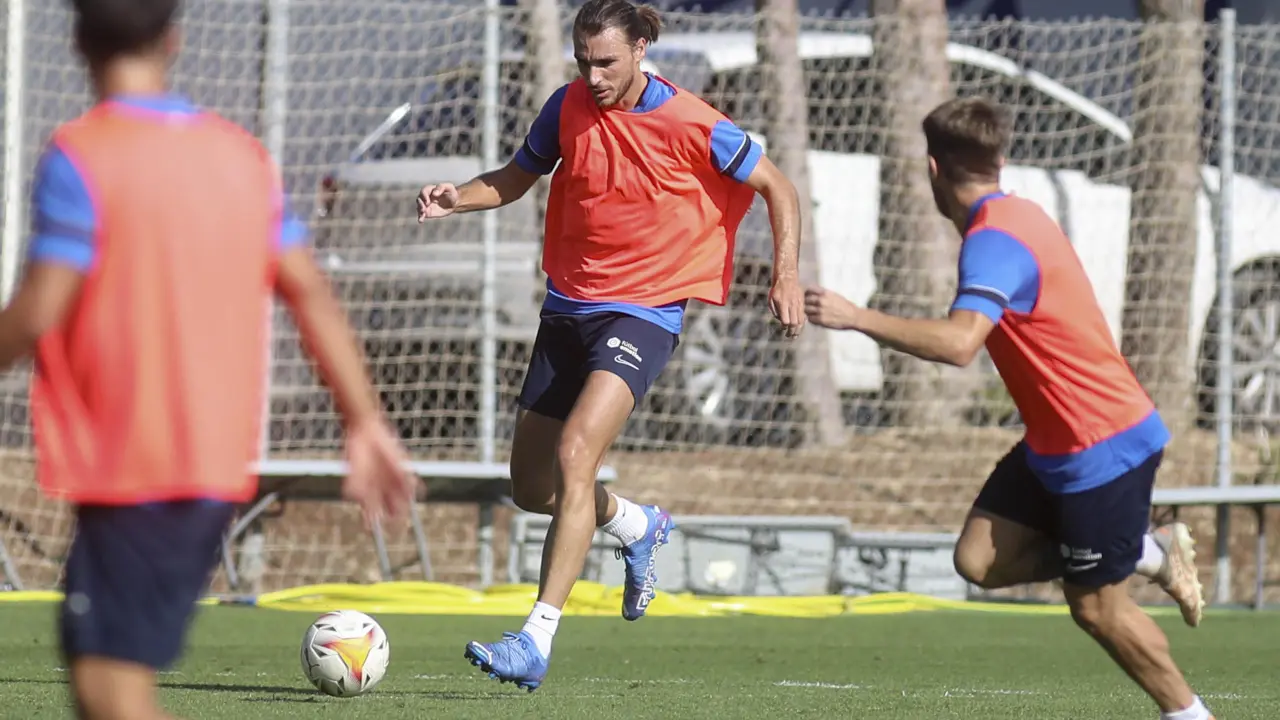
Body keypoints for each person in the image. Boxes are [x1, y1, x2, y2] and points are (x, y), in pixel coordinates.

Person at [2, 0, 418, 717]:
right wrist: (364, 421)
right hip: (211, 463)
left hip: (138, 461)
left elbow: (41, 306)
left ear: (76, 40)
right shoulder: (239, 156)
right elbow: (309, 293)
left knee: (109, 687)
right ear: (174, 39)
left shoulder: (83, 154)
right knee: (106, 680)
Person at [416, 0, 805, 692]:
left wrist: (785, 275)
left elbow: (778, 186)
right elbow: (515, 177)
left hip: (644, 313)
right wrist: (458, 198)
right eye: (583, 61)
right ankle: (634, 523)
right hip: (568, 308)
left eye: (607, 62)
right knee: (533, 486)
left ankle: (535, 639)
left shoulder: (692, 120)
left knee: (575, 456)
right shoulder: (565, 106)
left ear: (641, 50)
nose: (593, 76)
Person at [804, 95, 1215, 720]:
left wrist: (856, 317)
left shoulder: (994, 240)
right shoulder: (1018, 213)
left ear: (933, 169)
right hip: (1056, 440)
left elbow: (959, 343)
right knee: (978, 560)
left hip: (1102, 443)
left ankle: (1189, 714)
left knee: (1098, 608)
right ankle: (1144, 549)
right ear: (1000, 162)